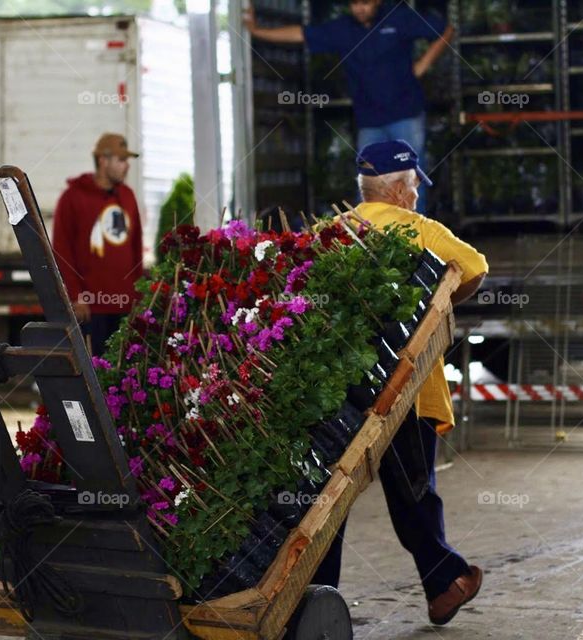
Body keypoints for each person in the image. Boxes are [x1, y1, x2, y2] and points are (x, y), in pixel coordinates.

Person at [313, 140, 487, 626]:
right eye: (412, 186)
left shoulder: (332, 231)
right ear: (396, 189)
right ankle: (445, 582)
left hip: (341, 394)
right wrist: (437, 306)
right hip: (406, 390)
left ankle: (314, 601)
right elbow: (475, 266)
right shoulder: (418, 230)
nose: (415, 196)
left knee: (327, 503)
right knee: (413, 492)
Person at [244, 0, 454, 210]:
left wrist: (423, 64)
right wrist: (257, 31)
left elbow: (446, 30)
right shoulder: (342, 28)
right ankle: (367, 230)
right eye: (354, 3)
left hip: (406, 114)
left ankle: (415, 229)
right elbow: (301, 34)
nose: (359, 8)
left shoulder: (399, 17)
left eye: (365, 3)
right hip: (369, 121)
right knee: (367, 184)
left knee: (410, 179)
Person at [53, 133, 144, 356]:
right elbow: (62, 252)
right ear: (103, 161)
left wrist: (138, 297)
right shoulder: (72, 198)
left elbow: (136, 248)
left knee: (124, 369)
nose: (126, 166)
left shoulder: (128, 196)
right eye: (121, 160)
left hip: (125, 307)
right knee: (94, 370)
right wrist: (76, 296)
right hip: (91, 308)